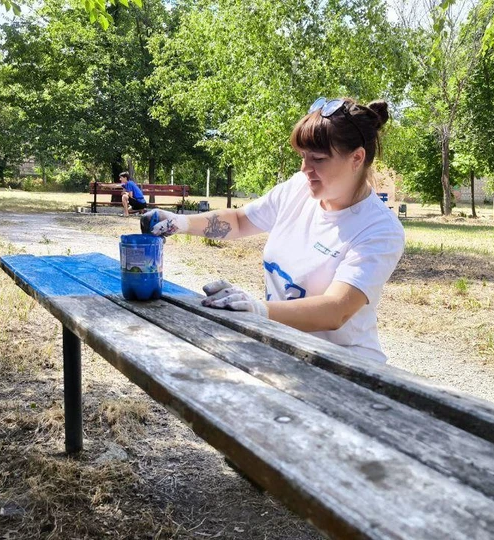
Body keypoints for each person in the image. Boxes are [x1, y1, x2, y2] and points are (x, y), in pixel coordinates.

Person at [141, 97, 404, 363]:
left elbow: (336, 310)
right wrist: (180, 222)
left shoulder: (380, 229)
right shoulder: (298, 189)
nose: (305, 168)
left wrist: (258, 309)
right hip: (284, 351)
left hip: (347, 368)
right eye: (303, 156)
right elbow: (240, 221)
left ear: (357, 158)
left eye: (318, 159)